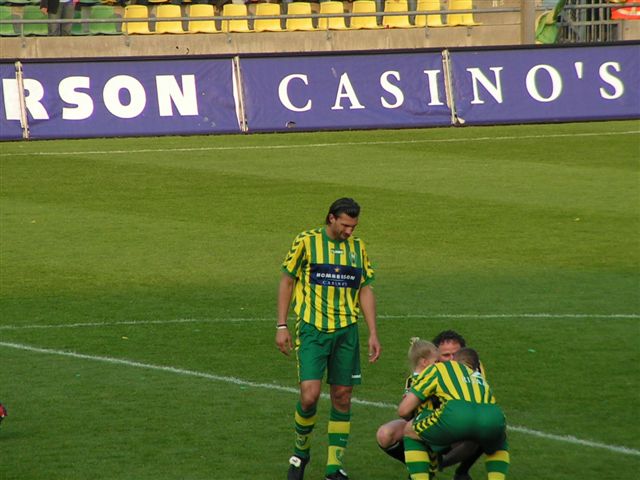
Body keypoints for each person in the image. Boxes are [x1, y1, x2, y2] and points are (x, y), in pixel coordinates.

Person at [275, 197, 381, 480]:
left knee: (343, 397)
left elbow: (365, 289)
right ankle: (301, 453)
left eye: (354, 226)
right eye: (346, 225)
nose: (350, 232)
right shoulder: (307, 242)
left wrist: (372, 331)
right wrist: (282, 325)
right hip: (313, 330)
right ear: (331, 218)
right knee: (309, 396)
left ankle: (334, 467)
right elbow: (287, 280)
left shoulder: (358, 248)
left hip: (347, 331)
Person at [376, 330, 483, 480]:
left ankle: (461, 472)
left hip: (454, 425)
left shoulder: (473, 371)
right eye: (446, 356)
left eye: (456, 354)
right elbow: (405, 413)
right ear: (436, 358)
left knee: (486, 428)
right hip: (427, 424)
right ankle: (420, 467)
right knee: (386, 434)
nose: (452, 360)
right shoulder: (429, 375)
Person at [398, 348, 510, 480]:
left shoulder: (441, 369)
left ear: (453, 360)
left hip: (456, 415)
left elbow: (403, 411)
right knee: (499, 443)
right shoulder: (480, 378)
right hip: (493, 416)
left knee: (409, 431)